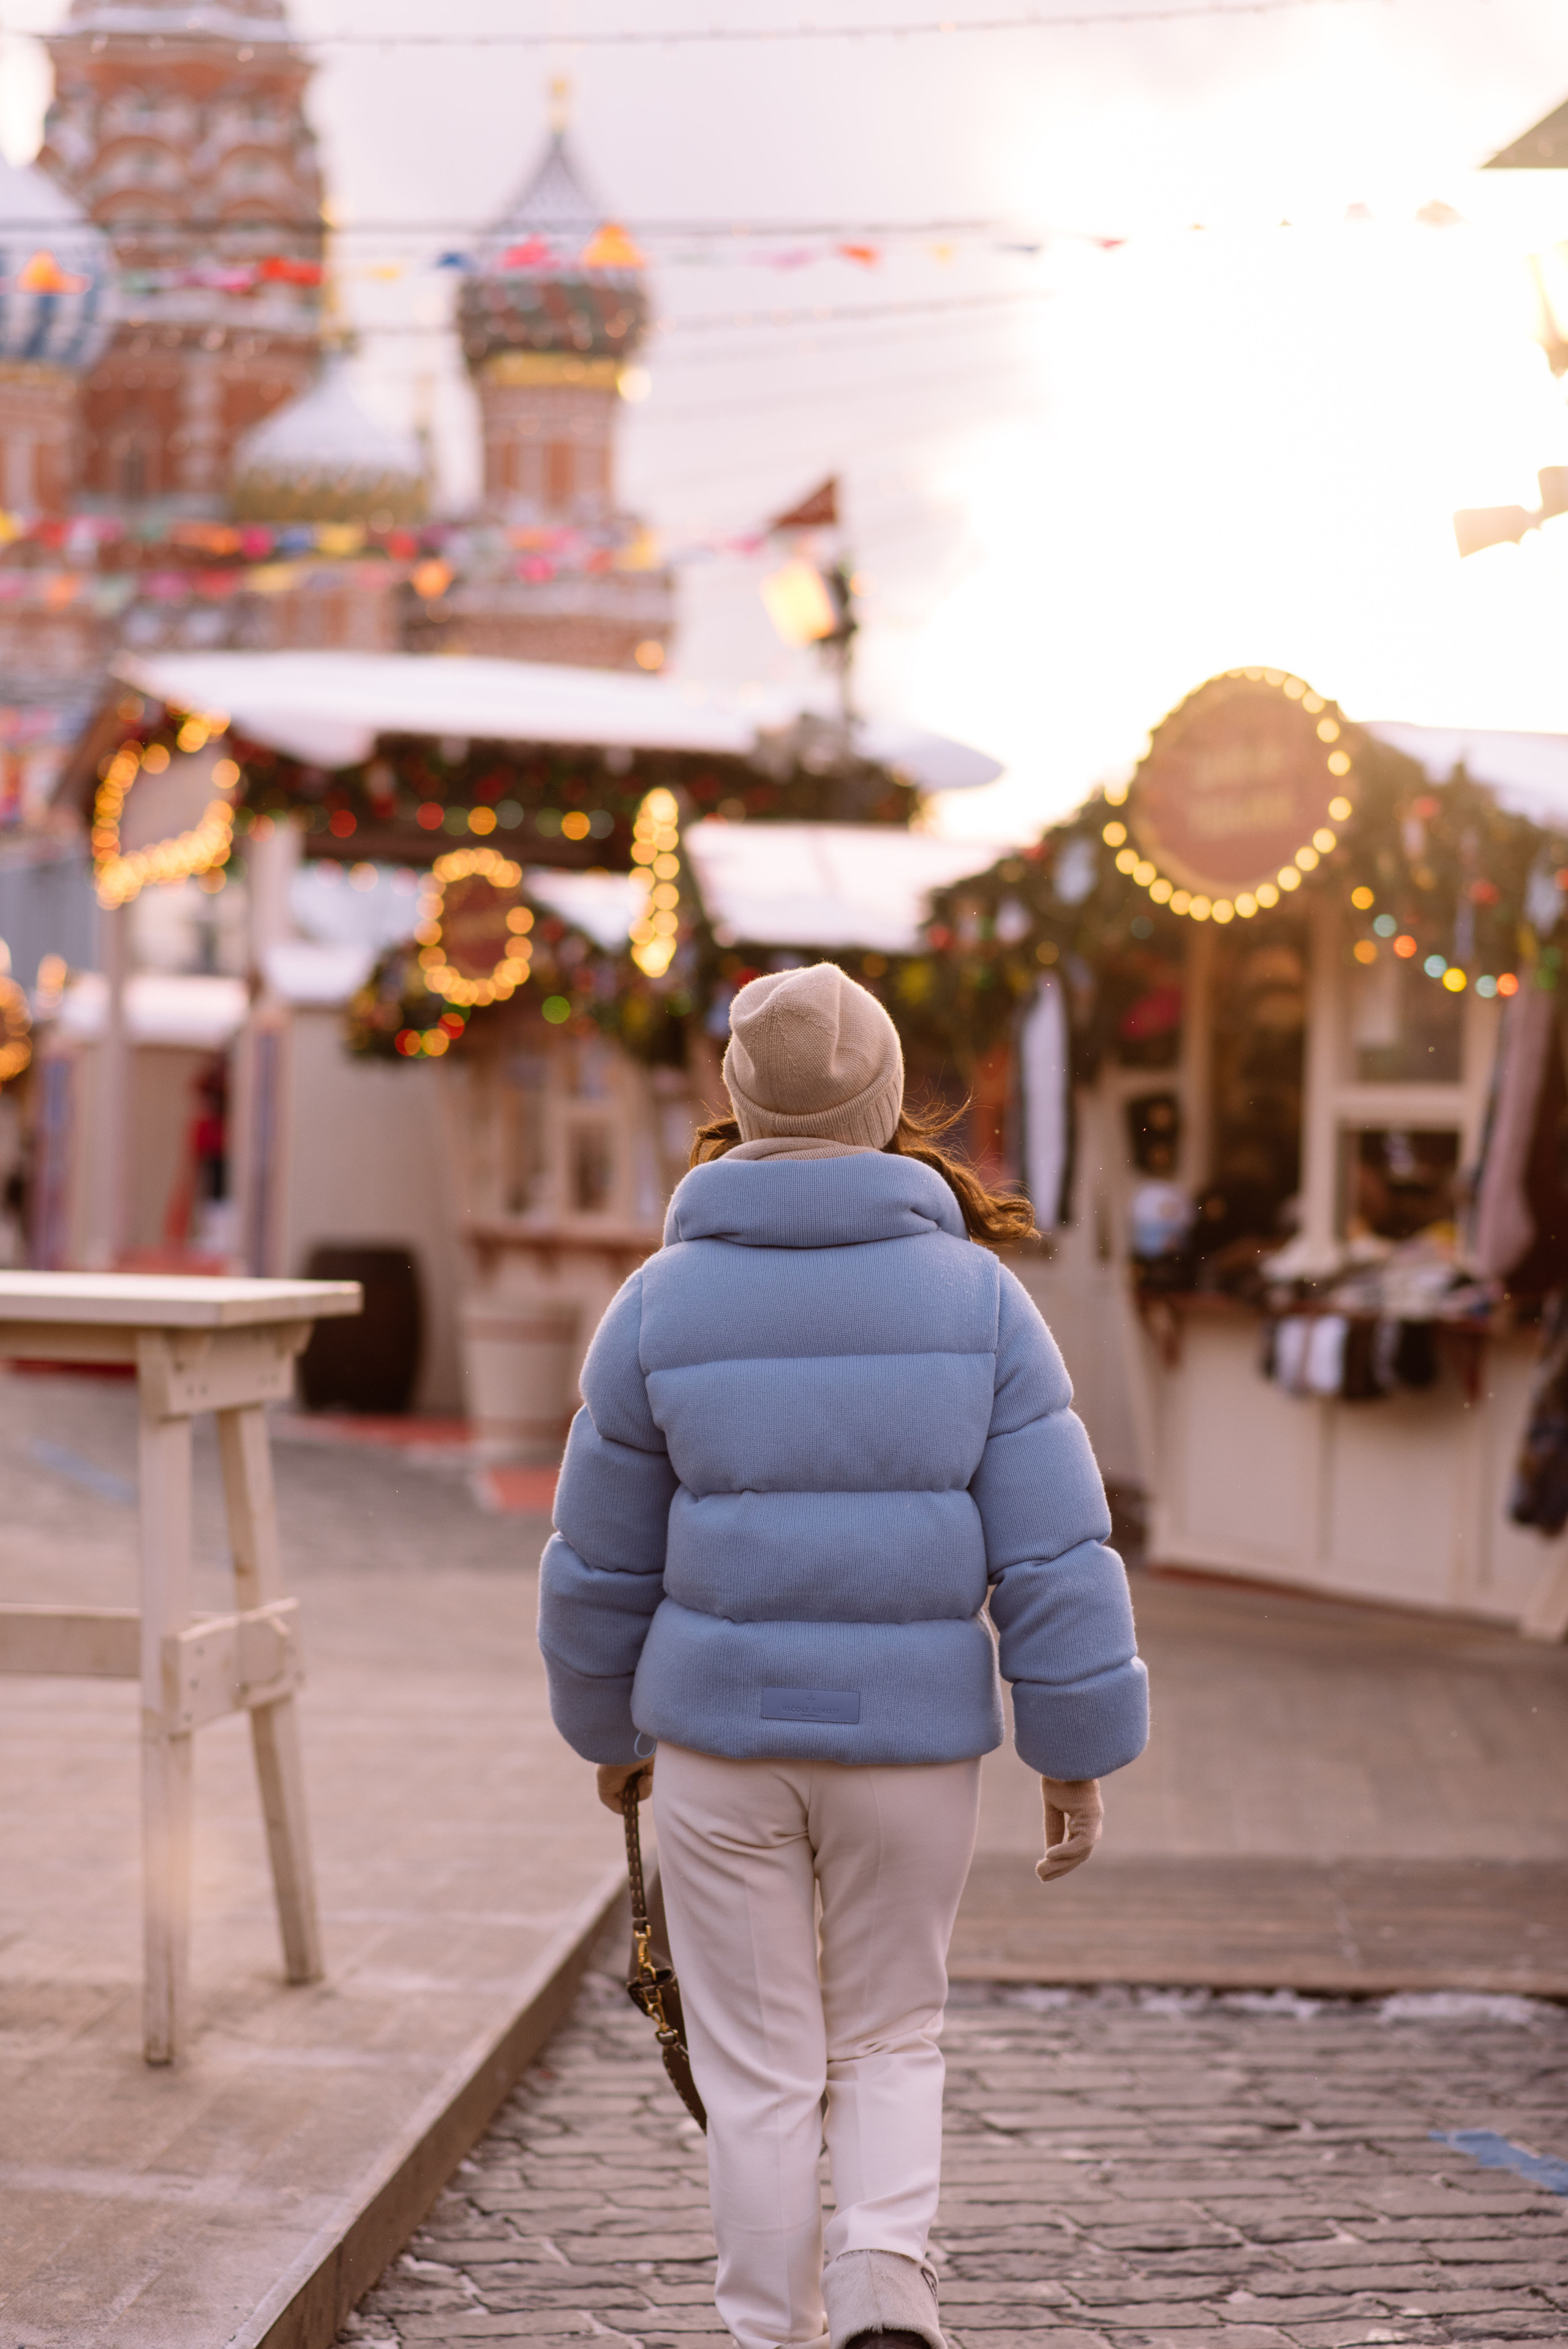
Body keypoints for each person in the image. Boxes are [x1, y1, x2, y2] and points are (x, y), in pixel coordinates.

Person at [539, 963, 1148, 2349]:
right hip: (911, 1747)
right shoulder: (981, 1301)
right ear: (885, 1105)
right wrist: (1075, 1751)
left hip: (716, 1744)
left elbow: (596, 1560)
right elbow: (1055, 1548)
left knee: (757, 2072)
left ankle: (772, 2333)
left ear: (736, 1104)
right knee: (886, 2032)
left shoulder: (656, 1302)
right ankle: (885, 2284)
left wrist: (605, 1734)